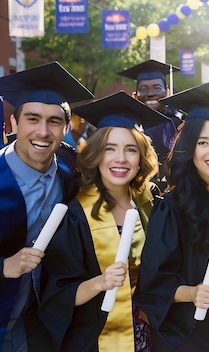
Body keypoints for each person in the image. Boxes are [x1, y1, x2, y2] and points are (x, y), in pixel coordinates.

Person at [38, 92, 164, 351]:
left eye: (131, 149)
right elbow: (57, 293)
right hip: (96, 338)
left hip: (148, 333)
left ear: (141, 157)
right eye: (110, 149)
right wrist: (100, 282)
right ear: (96, 154)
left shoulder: (150, 203)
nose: (121, 159)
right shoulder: (75, 213)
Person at [134, 81, 209, 351]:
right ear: (191, 149)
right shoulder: (172, 208)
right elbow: (153, 284)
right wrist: (192, 292)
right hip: (192, 337)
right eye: (203, 142)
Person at [0, 61, 93, 351]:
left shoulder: (72, 171)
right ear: (13, 123)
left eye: (54, 121)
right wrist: (3, 267)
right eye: (32, 118)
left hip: (45, 321)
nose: (43, 131)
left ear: (66, 127)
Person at [117, 60, 185, 185]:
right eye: (144, 89)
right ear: (135, 97)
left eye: (157, 88)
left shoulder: (181, 126)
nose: (150, 94)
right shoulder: (128, 129)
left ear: (168, 93)